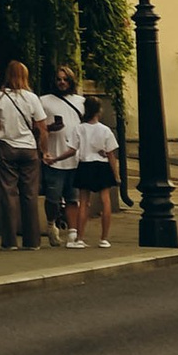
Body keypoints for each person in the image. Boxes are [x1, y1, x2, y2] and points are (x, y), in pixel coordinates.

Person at [0, 60, 45, 252]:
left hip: (6, 147)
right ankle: (32, 241)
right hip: (28, 148)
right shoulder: (33, 98)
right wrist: (42, 150)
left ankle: (10, 240)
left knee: (9, 193)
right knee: (30, 194)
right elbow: (41, 127)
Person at [35, 68, 85, 246]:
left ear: (71, 81)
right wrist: (49, 130)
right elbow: (37, 126)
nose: (62, 82)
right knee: (53, 197)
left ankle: (72, 232)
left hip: (75, 158)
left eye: (65, 79)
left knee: (73, 197)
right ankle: (51, 225)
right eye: (58, 79)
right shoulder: (44, 101)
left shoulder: (80, 101)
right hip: (54, 157)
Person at [72, 94, 121, 249]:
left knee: (84, 203)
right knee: (105, 201)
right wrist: (116, 175)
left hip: (85, 164)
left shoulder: (79, 128)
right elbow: (111, 154)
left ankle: (80, 238)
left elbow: (73, 149)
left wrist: (56, 158)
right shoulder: (105, 130)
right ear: (99, 111)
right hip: (102, 166)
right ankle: (104, 238)